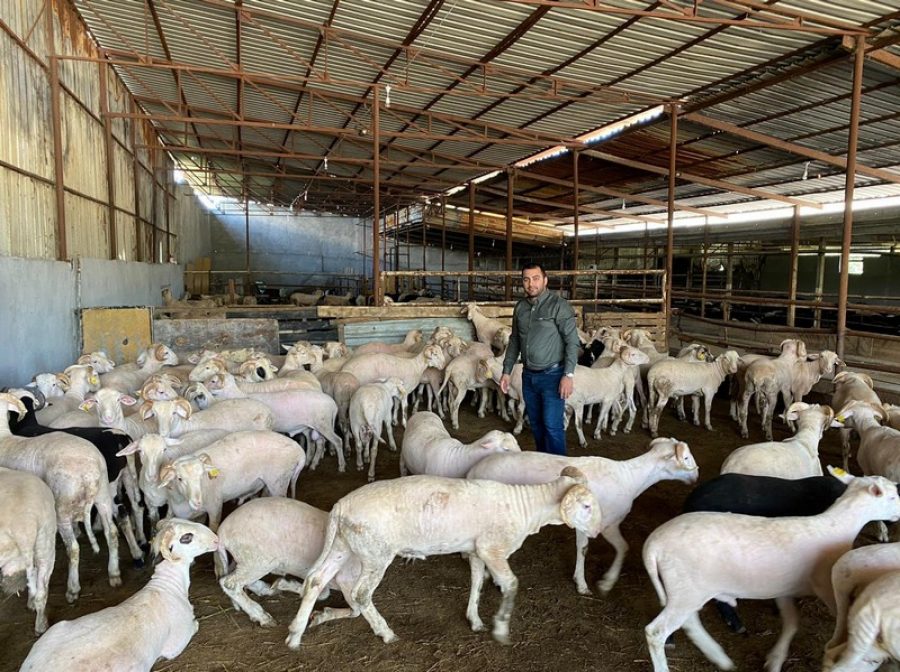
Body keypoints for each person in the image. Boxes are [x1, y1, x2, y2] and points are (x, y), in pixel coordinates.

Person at [499, 263, 579, 456]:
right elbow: (515, 340)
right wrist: (507, 371)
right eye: (526, 279)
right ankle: (543, 465)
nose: (531, 284)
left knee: (552, 426)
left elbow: (572, 342)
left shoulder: (559, 306)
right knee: (536, 424)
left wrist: (568, 374)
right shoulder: (520, 308)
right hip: (528, 377)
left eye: (535, 278)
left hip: (553, 376)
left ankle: (558, 469)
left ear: (545, 280)